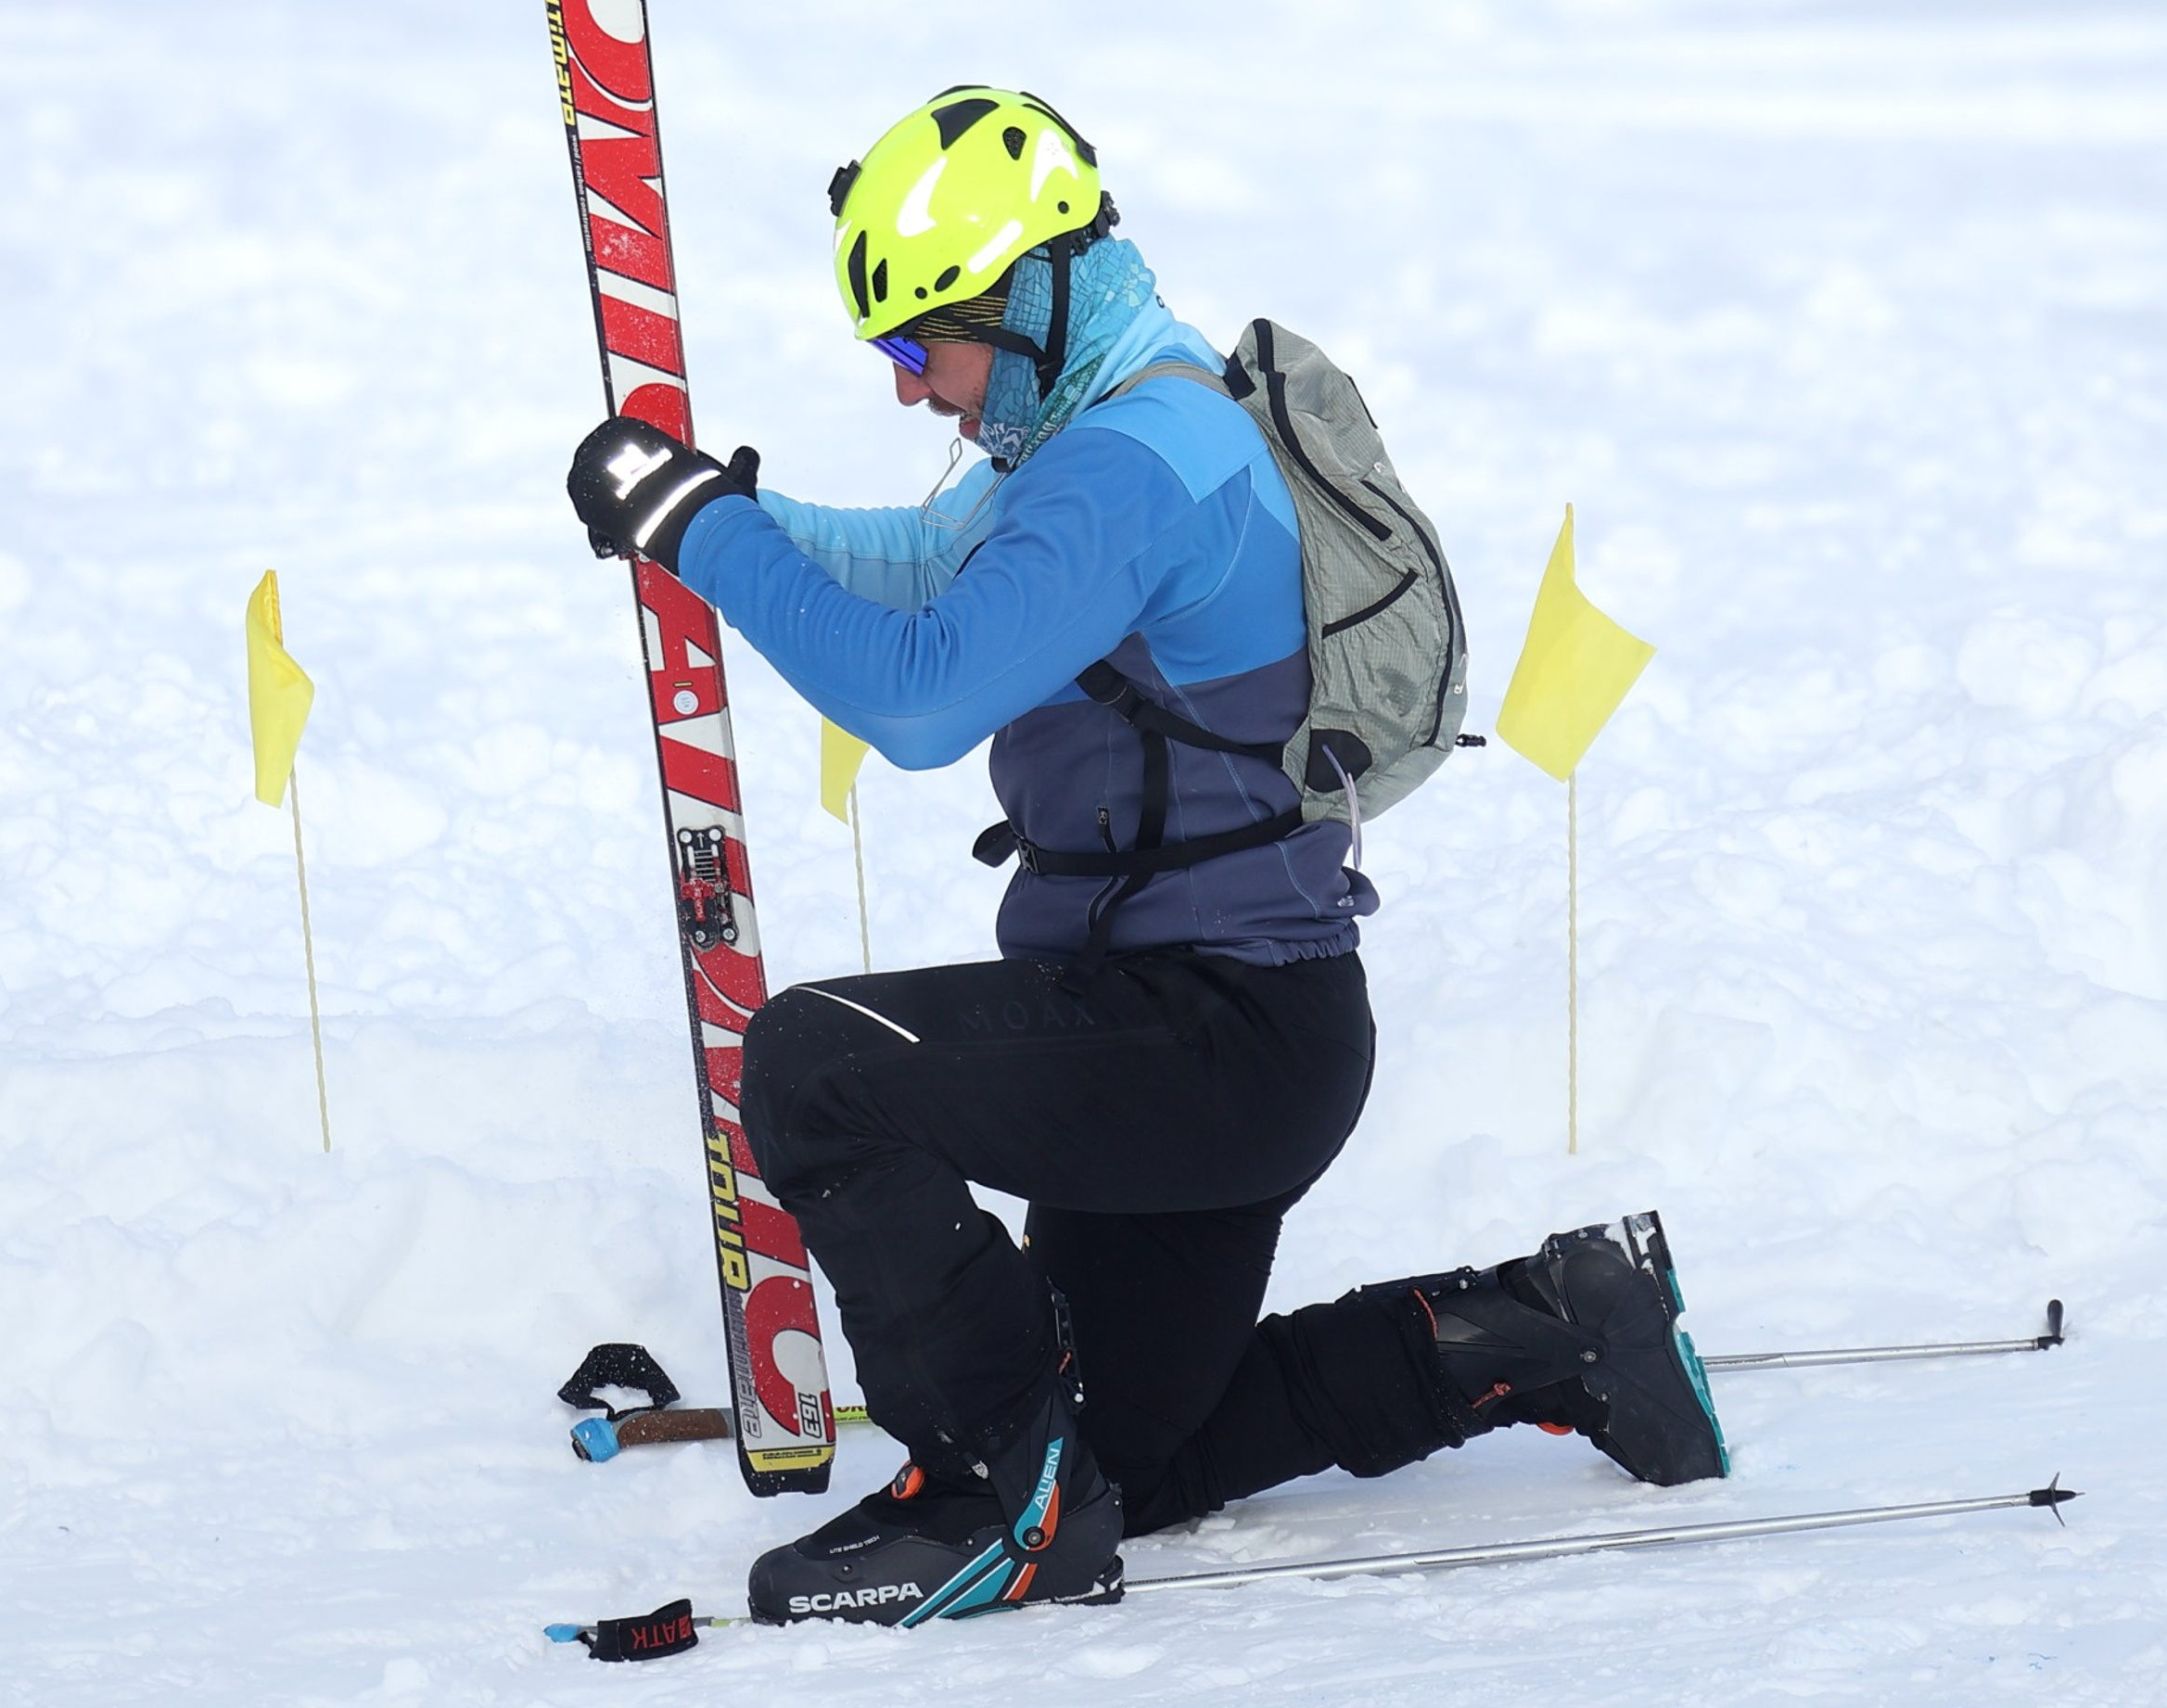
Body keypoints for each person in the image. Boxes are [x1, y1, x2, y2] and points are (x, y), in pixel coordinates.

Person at [567, 87, 1727, 1629]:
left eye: (923, 349)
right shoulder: (1126, 420)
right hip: (1232, 1034)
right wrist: (732, 511)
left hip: (1209, 1036)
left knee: (809, 1068)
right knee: (1119, 1458)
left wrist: (710, 541)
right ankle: (1558, 1326)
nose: (912, 392)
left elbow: (918, 696)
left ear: (1032, 298)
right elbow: (930, 564)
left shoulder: (1136, 463)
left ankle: (998, 1499)